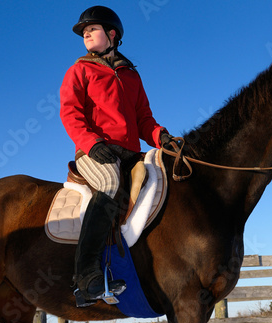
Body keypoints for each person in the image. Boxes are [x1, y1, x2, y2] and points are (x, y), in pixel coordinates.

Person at [60, 5, 173, 307]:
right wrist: (91, 142)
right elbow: (70, 113)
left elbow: (144, 119)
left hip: (129, 153)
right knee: (110, 184)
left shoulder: (131, 76)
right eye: (83, 31)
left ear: (112, 34)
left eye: (92, 28)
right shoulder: (79, 71)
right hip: (94, 151)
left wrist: (162, 137)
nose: (86, 33)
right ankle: (86, 278)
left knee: (163, 176)